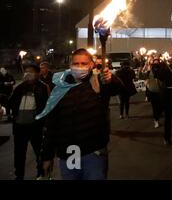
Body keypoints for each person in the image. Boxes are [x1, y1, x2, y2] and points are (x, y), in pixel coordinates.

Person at [37, 48, 123, 180]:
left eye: (84, 63)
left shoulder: (98, 83)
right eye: (76, 64)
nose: (80, 67)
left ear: (91, 65)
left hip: (93, 153)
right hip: (69, 153)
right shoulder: (60, 87)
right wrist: (47, 156)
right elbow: (51, 124)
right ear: (70, 65)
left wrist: (112, 79)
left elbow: (121, 90)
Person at [8, 65, 48, 180]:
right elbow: (11, 103)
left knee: (39, 151)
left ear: (37, 74)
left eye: (30, 72)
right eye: (26, 72)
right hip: (19, 126)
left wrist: (44, 123)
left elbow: (46, 106)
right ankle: (19, 175)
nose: (27, 74)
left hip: (35, 126)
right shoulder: (19, 87)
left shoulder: (43, 87)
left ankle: (41, 173)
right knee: (19, 154)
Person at [155, 58, 172, 146]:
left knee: (168, 118)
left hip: (167, 95)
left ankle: (167, 138)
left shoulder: (165, 68)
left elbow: (159, 77)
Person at [145, 59, 164, 128]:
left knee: (160, 107)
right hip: (152, 92)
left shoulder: (162, 71)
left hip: (161, 92)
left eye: (157, 64)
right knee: (155, 107)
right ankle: (156, 120)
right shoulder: (149, 72)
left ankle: (157, 117)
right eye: (154, 64)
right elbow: (145, 79)